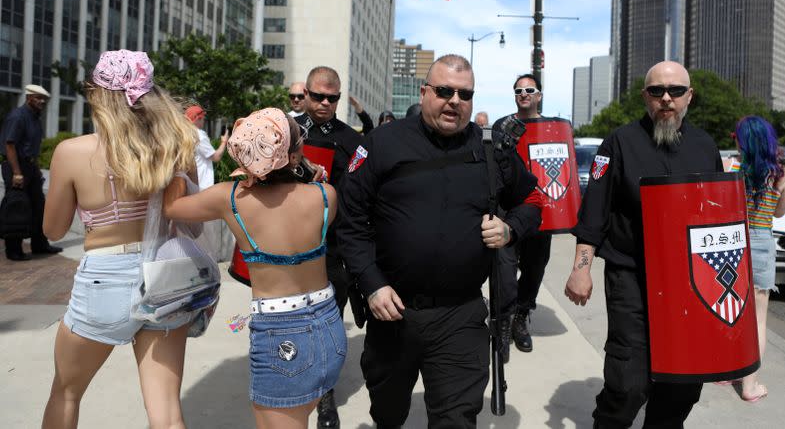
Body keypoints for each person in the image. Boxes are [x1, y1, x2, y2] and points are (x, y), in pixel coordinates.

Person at [337, 55, 542, 428]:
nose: (454, 101)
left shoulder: (492, 153)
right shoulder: (383, 142)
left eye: (465, 94)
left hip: (461, 316)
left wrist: (510, 229)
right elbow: (351, 221)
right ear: (424, 92)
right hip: (393, 310)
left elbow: (533, 201)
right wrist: (371, 284)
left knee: (456, 419)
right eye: (445, 91)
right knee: (388, 413)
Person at [41, 50, 198, 428]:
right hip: (166, 276)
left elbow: (53, 231)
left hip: (104, 279)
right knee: (166, 412)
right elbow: (194, 225)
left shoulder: (72, 152)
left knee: (66, 391)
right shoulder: (179, 144)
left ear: (99, 94)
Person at [163, 108, 345, 429]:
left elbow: (172, 208)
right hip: (329, 325)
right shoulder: (325, 196)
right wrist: (303, 167)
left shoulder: (230, 198)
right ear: (292, 154)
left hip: (281, 332)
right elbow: (304, 181)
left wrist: (180, 166)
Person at [565, 61, 723, 428]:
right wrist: (580, 269)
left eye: (675, 91)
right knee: (629, 383)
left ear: (689, 96)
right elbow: (595, 213)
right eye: (656, 91)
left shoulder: (705, 145)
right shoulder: (618, 142)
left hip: (689, 284)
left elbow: (718, 214)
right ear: (645, 97)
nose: (666, 98)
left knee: (683, 382)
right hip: (631, 276)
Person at [295, 66, 363, 428]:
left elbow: (360, 198)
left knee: (328, 321)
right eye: (318, 95)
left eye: (332, 97)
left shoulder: (351, 140)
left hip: (333, 246)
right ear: (305, 92)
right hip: (285, 245)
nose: (324, 102)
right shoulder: (283, 131)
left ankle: (325, 393)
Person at [731, 116, 785, 402]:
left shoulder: (733, 169)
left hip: (733, 241)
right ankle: (749, 385)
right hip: (762, 242)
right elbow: (779, 214)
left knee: (732, 310)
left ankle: (727, 371)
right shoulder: (779, 174)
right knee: (758, 319)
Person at [494, 73, 551, 359]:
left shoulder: (553, 128)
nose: (524, 94)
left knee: (535, 268)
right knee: (504, 272)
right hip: (509, 210)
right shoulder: (502, 125)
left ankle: (521, 317)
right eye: (518, 90)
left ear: (539, 95)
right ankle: (503, 323)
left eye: (529, 89)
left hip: (542, 209)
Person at [0, 84, 62, 260]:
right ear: (29, 98)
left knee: (38, 207)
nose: (42, 101)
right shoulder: (18, 117)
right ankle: (13, 250)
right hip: (16, 167)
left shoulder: (34, 117)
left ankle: (40, 245)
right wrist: (17, 173)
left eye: (44, 99)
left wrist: (35, 170)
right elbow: (10, 145)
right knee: (16, 208)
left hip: (29, 167)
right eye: (38, 98)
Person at [185, 105, 229, 190]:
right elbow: (216, 157)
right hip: (202, 185)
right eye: (203, 119)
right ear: (198, 118)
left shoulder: (185, 134)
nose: (203, 122)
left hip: (190, 183)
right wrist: (224, 142)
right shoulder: (199, 135)